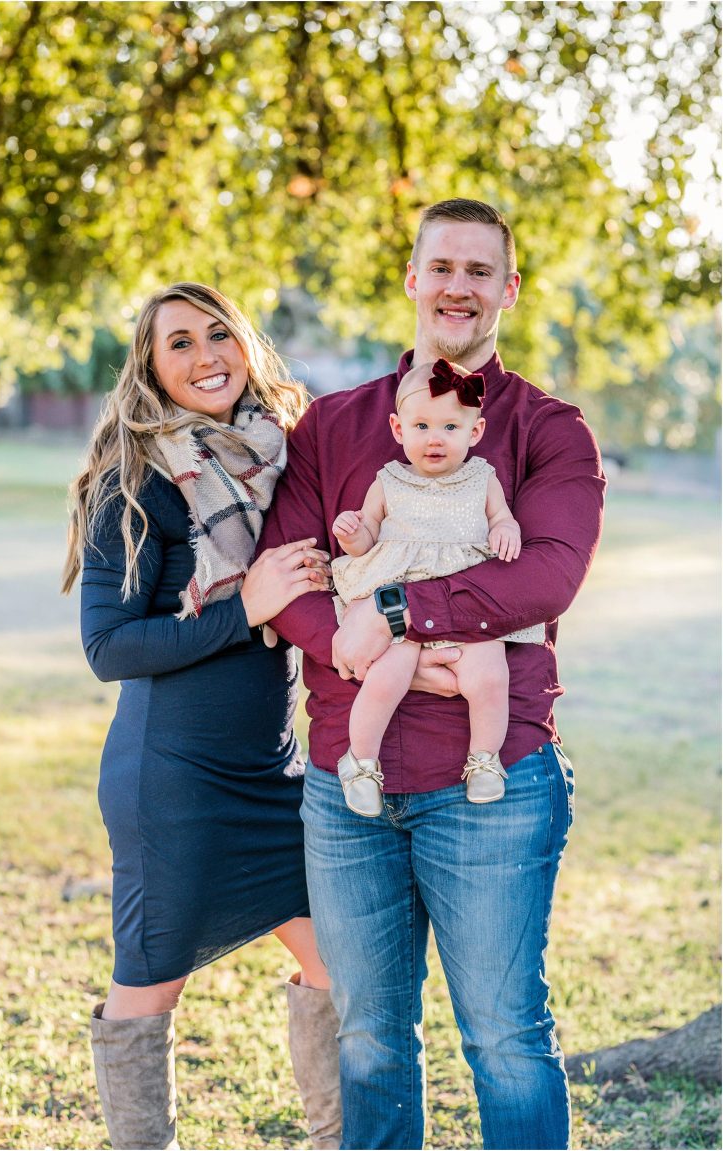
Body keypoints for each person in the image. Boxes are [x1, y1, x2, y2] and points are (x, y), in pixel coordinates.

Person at [259, 199, 606, 1150]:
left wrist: (402, 615)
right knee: (370, 1038)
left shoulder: (549, 431)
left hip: (490, 783)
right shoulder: (334, 426)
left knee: (505, 1039)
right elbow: (286, 570)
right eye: (441, 266)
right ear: (413, 278)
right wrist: (346, 643)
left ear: (508, 289)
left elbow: (548, 573)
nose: (459, 285)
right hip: (347, 783)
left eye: (480, 270)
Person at [61, 282, 342, 1151]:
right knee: (149, 987)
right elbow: (110, 647)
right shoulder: (135, 481)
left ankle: (342, 1138)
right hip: (171, 779)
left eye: (218, 333)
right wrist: (247, 605)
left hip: (270, 771)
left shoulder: (277, 458)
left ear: (246, 345)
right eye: (177, 342)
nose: (204, 354)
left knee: (337, 963)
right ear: (150, 368)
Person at [331, 357, 544, 818]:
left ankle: (485, 759)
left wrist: (506, 530)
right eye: (422, 425)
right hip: (399, 595)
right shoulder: (388, 481)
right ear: (397, 427)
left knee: (490, 675)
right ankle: (362, 760)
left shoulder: (482, 477)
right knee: (387, 675)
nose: (434, 438)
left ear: (475, 431)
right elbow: (367, 532)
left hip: (465, 599)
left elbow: (501, 517)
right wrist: (353, 533)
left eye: (450, 426)